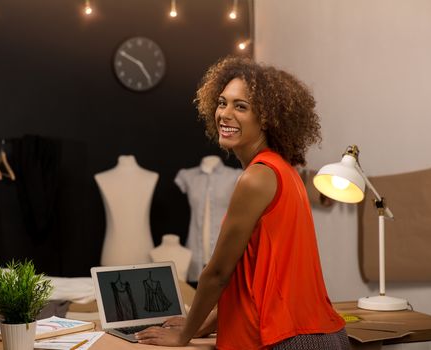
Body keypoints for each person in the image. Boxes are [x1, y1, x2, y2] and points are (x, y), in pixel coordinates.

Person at [135, 56, 349, 349]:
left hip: (287, 339)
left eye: (241, 106)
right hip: (317, 333)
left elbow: (219, 272)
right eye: (222, 103)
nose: (225, 114)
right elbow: (251, 277)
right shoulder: (282, 171)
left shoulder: (257, 178)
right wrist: (202, 325)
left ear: (267, 118)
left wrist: (183, 335)